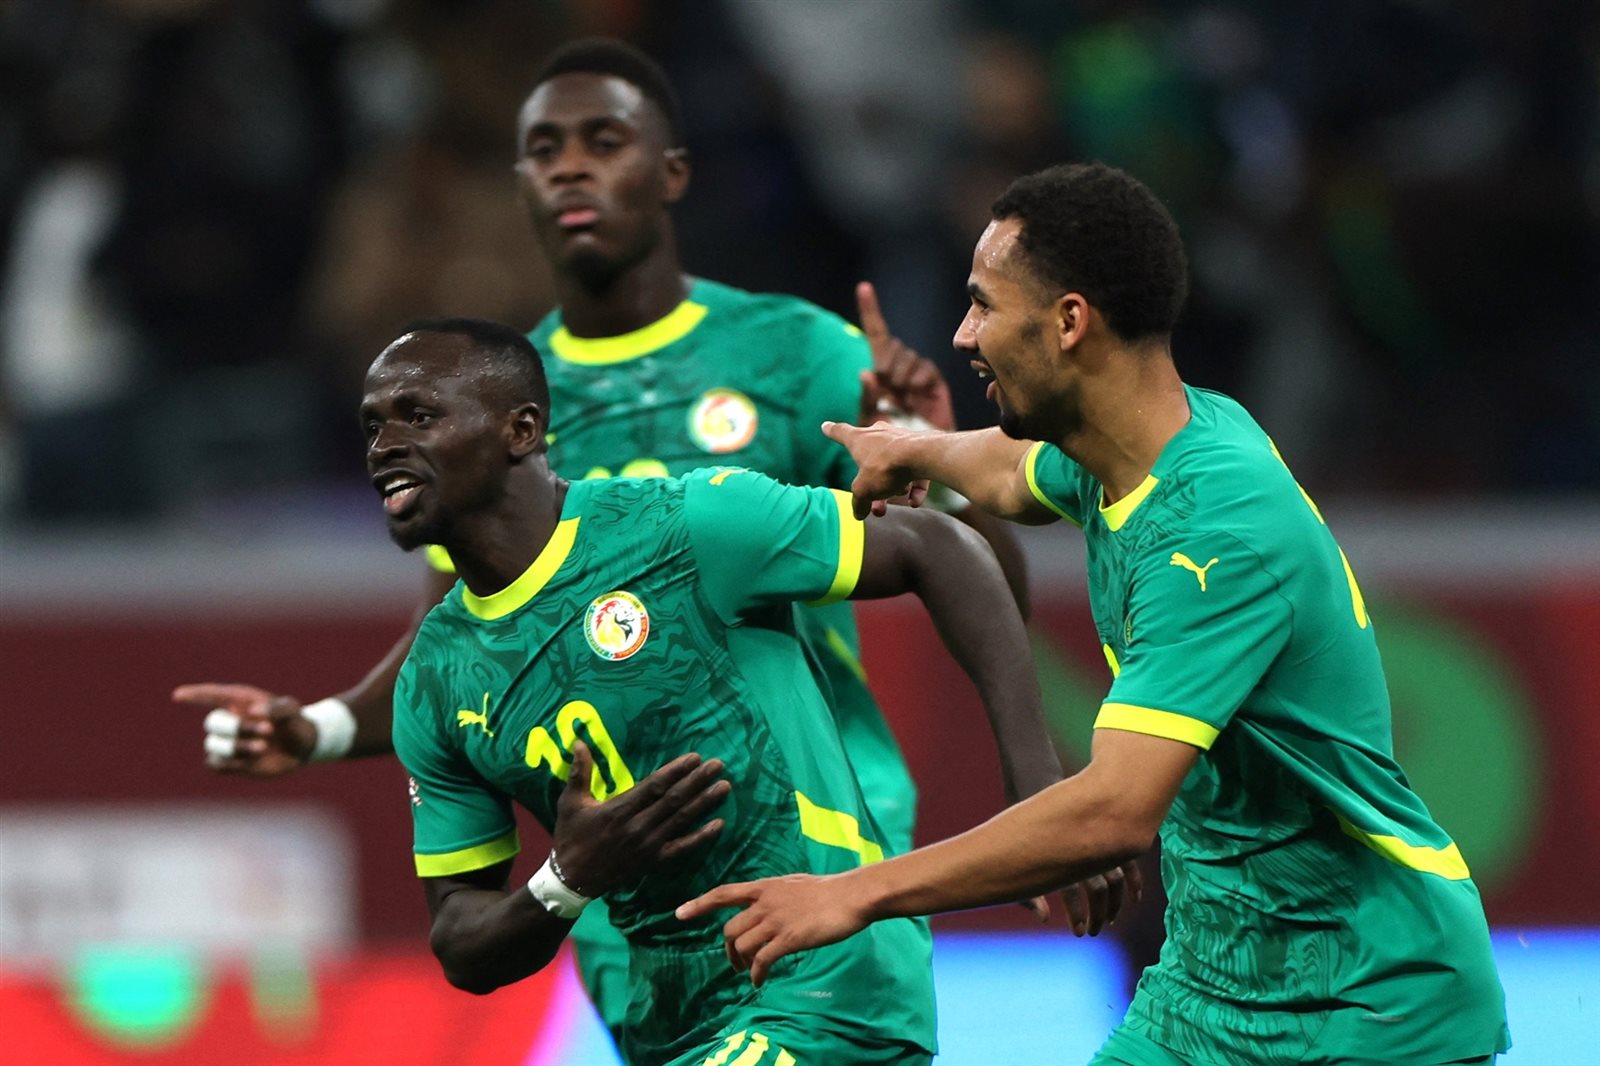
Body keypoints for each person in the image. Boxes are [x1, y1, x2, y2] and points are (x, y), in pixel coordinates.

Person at [172, 37, 1086, 1044]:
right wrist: (322, 727)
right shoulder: (475, 396)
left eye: (602, 142)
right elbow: (467, 640)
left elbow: (954, 557)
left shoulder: (795, 353)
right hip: (624, 897)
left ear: (671, 172)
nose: (570, 168)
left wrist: (940, 459)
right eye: (544, 150)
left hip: (812, 821)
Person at [679, 163, 1511, 1066]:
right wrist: (912, 447)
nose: (962, 335)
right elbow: (1010, 472)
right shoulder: (1136, 444)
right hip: (1215, 989)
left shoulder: (1214, 530)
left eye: (983, 305)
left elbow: (1113, 813)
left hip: (1373, 1000)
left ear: (1070, 321)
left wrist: (855, 893)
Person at [361, 317, 1067, 1065]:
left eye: (418, 416)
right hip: (672, 1019)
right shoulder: (436, 679)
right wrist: (565, 880)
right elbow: (462, 942)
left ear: (521, 429)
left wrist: (1036, 783)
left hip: (823, 977)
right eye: (373, 426)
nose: (384, 446)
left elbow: (938, 546)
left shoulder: (684, 525)